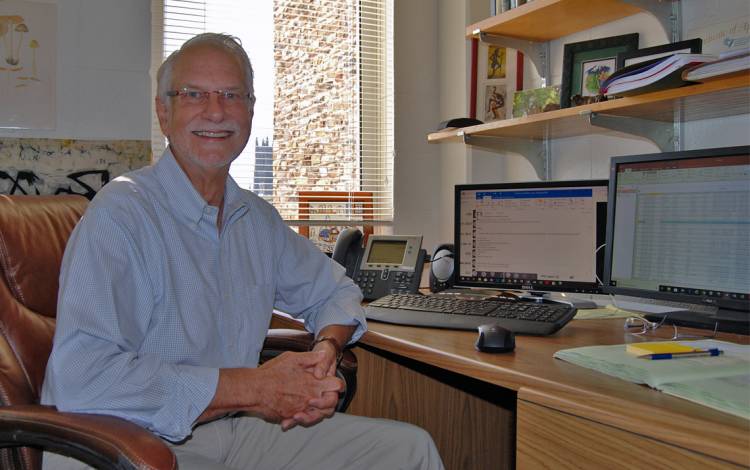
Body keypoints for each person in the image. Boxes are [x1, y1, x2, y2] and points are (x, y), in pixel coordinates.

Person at [41, 33, 444, 470]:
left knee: (408, 451)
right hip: (124, 443)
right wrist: (255, 388)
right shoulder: (121, 215)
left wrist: (323, 352)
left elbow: (335, 292)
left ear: (250, 112)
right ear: (163, 111)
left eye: (232, 95)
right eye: (194, 94)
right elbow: (82, 379)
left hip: (230, 431)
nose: (216, 111)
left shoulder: (256, 220)